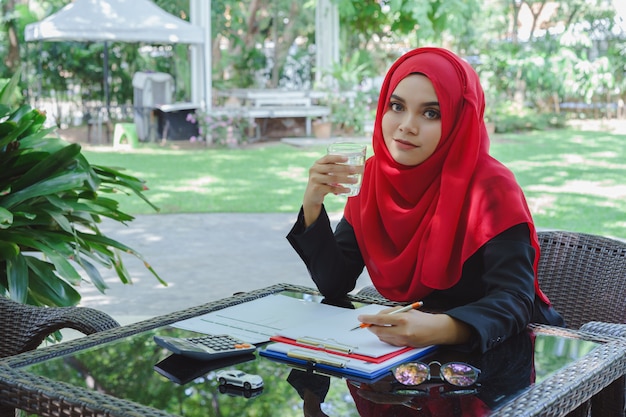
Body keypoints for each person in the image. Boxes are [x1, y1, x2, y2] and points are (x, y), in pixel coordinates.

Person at [287, 47, 564, 353]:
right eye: (397, 106)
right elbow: (335, 284)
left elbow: (515, 301)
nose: (407, 125)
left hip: (500, 351)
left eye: (431, 113)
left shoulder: (491, 187)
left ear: (461, 121)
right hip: (410, 357)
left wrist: (440, 327)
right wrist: (313, 203)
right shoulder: (374, 179)